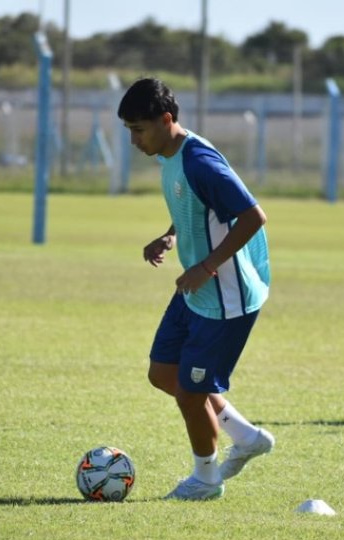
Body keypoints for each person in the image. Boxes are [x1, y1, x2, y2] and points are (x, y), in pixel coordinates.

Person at [118, 78, 276, 499]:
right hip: (196, 290)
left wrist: (206, 266)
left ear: (166, 119)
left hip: (225, 298)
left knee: (191, 393)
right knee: (163, 373)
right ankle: (246, 437)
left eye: (138, 130)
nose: (134, 141)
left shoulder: (200, 161)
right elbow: (195, 203)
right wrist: (170, 235)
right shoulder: (169, 155)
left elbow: (253, 217)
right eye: (129, 130)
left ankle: (206, 480)